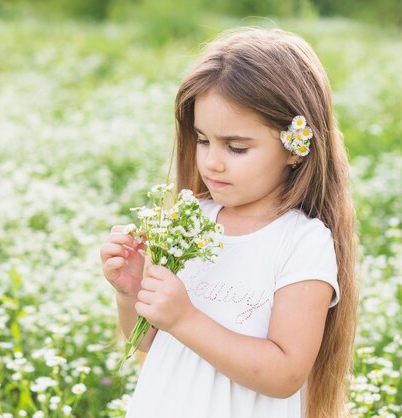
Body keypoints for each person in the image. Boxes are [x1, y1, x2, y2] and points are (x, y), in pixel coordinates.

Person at [100, 27, 359, 418]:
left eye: (236, 147)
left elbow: (285, 373)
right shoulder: (188, 220)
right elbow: (149, 341)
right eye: (203, 140)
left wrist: (185, 318)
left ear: (295, 148)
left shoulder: (300, 241)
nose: (211, 162)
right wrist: (131, 293)